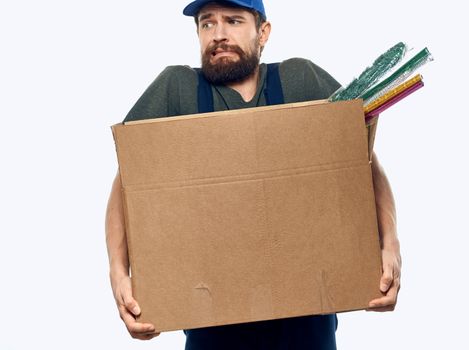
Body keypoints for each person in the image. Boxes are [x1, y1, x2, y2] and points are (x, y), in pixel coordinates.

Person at [105, 0, 402, 348]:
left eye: (232, 21)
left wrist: (390, 245)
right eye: (206, 24)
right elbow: (128, 182)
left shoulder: (299, 80)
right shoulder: (178, 89)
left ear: (263, 32)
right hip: (210, 322)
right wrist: (118, 270)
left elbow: (361, 162)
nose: (218, 35)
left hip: (307, 322)